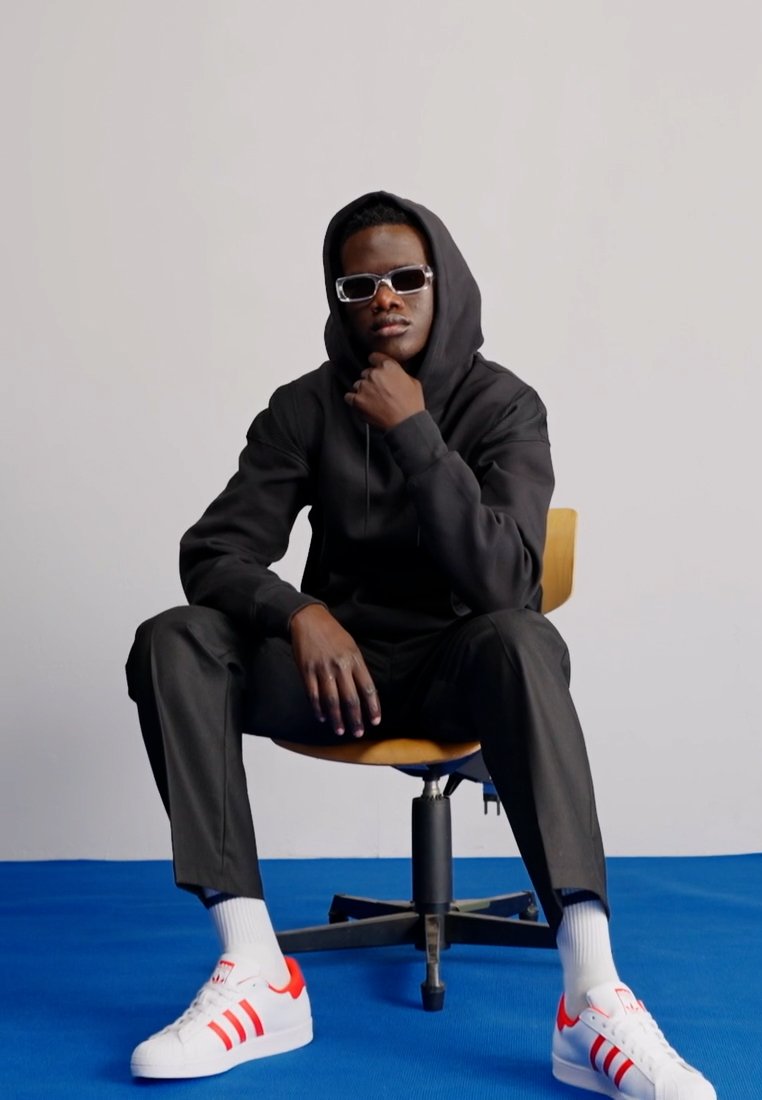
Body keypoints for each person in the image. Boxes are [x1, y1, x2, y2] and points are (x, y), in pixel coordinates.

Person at [126, 191, 715, 1097]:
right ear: (338, 299)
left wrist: (414, 432)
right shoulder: (304, 407)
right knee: (173, 639)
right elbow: (214, 552)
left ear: (444, 281)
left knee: (522, 638)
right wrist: (299, 614)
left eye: (406, 277)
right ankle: (256, 969)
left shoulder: (504, 404)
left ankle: (592, 994)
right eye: (359, 285)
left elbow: (507, 581)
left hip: (456, 671)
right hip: (336, 677)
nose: (386, 299)